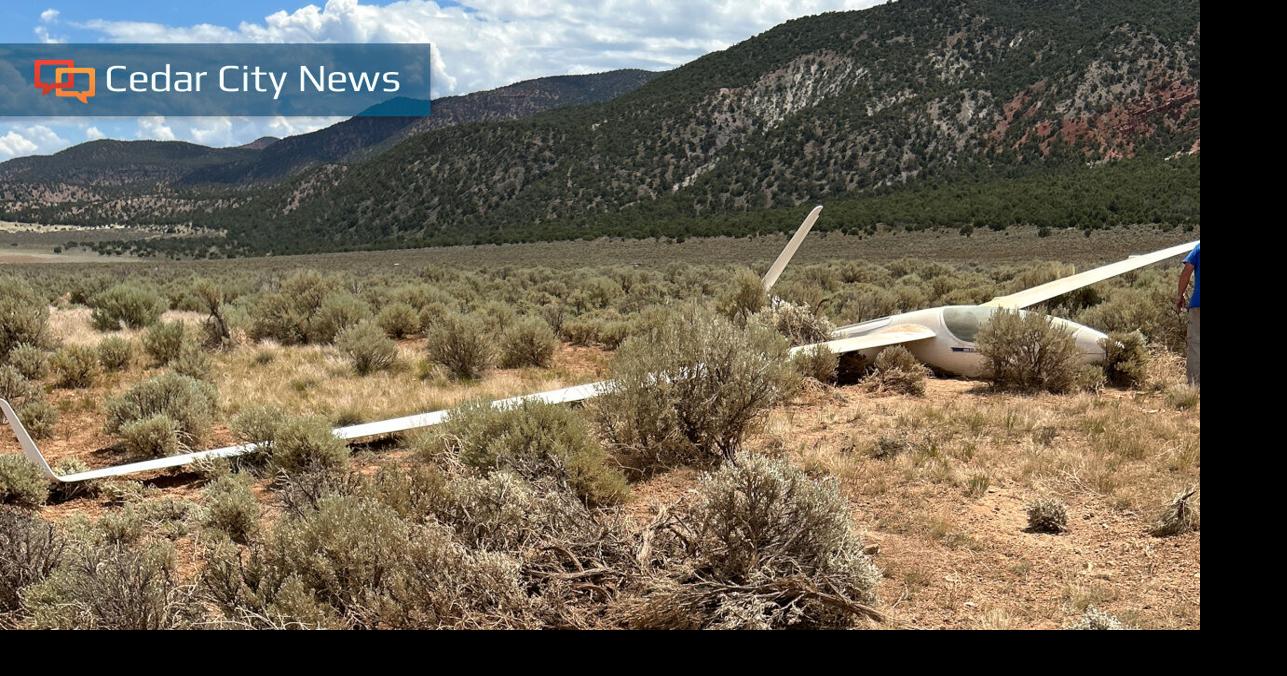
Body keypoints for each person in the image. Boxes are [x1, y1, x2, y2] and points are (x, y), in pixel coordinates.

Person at [1175, 243, 1200, 386]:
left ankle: (1195, 386)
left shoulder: (1199, 248)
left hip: (1198, 304)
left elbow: (1187, 270)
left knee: (1196, 344)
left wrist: (1180, 295)